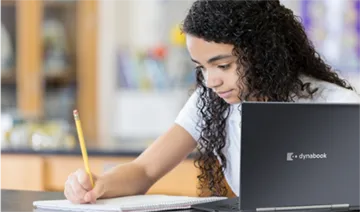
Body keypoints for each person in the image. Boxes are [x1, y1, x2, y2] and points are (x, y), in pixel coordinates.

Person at [64, 0, 360, 204]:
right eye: (201, 67)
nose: (210, 80)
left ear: (262, 53)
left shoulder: (340, 106)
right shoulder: (212, 102)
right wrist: (98, 183)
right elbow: (144, 171)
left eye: (223, 65)